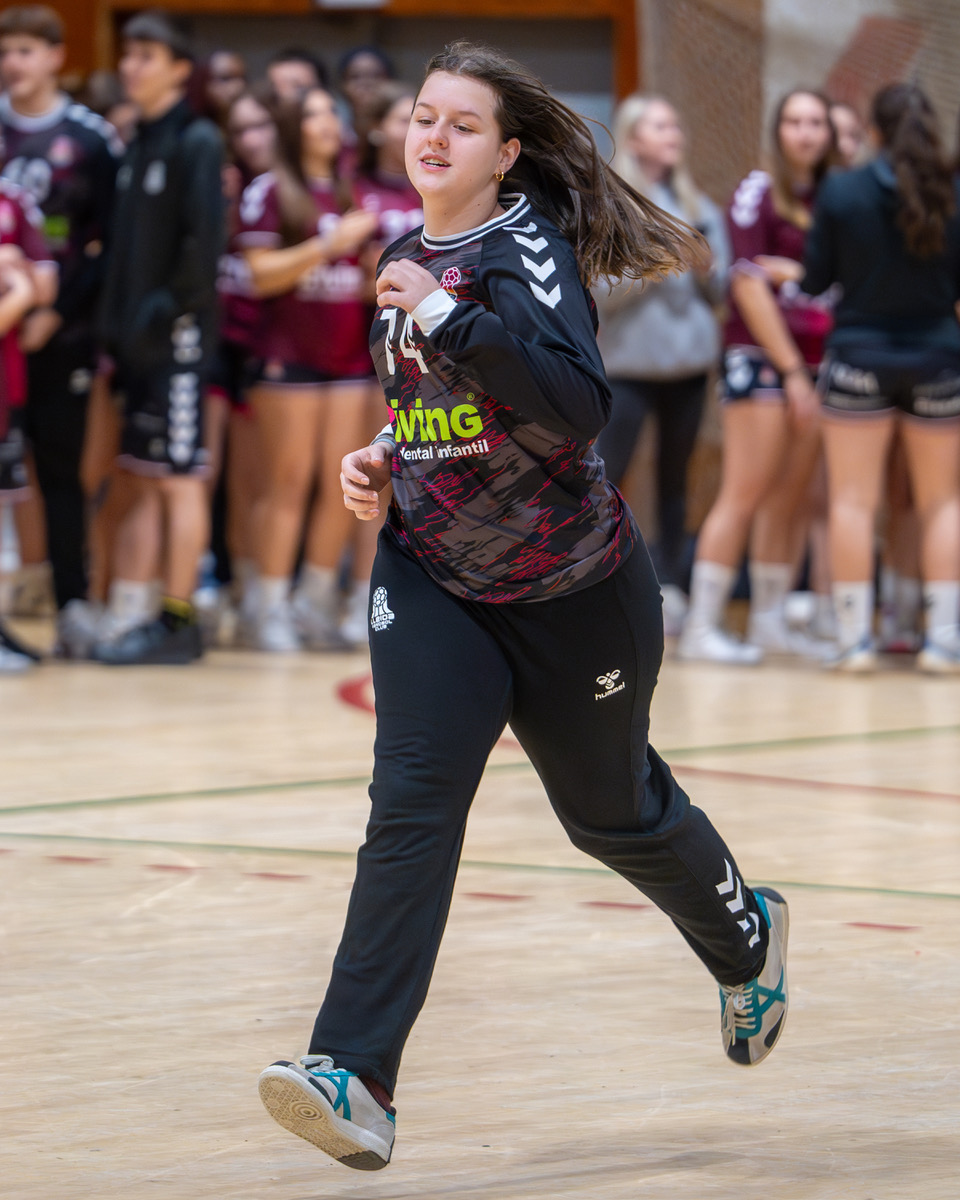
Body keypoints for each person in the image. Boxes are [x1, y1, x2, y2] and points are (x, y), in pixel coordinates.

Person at [256, 41, 790, 1171]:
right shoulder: (405, 256)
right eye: (423, 117)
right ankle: (354, 1075)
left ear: (504, 155)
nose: (433, 137)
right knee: (411, 803)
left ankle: (747, 936)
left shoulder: (522, 250)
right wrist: (384, 457)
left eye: (461, 124)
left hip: (570, 588)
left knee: (609, 812)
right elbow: (437, 410)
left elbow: (577, 406)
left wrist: (449, 317)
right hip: (434, 577)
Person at [805, 83, 960, 673]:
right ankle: (943, 643)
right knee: (942, 502)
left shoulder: (841, 190)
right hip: (939, 358)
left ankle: (853, 643)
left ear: (873, 130)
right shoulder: (952, 191)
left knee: (852, 500)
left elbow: (816, 280)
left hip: (858, 357)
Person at [678, 88, 837, 663]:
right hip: (761, 357)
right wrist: (790, 369)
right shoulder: (757, 190)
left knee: (790, 495)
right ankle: (701, 627)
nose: (805, 132)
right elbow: (746, 283)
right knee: (744, 490)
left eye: (815, 121)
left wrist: (793, 272)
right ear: (778, 129)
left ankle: (770, 621)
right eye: (794, 121)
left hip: (819, 360)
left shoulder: (834, 196)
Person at [92, 11, 224, 665]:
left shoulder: (196, 140)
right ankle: (138, 614)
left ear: (178, 69)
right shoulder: (137, 140)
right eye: (127, 54)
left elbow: (204, 244)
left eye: (146, 56)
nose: (130, 66)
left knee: (179, 478)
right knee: (144, 476)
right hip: (136, 343)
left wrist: (163, 312)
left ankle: (179, 621)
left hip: (178, 342)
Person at [236, 87, 377, 651]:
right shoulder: (269, 191)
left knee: (344, 485)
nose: (327, 122)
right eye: (313, 114)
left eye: (331, 113)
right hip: (287, 356)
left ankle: (313, 603)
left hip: (349, 359)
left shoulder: (352, 190)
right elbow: (260, 274)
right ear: (292, 126)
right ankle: (266, 607)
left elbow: (361, 278)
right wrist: (329, 244)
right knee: (287, 483)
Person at [0, 4, 121, 655]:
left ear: (54, 57)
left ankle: (72, 602)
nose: (12, 63)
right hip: (4, 332)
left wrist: (56, 312)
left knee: (60, 470)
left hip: (60, 331)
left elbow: (108, 245)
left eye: (24, 50)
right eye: (4, 51)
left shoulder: (91, 138)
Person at [594, 93, 730, 635]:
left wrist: (705, 267)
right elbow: (601, 295)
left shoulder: (699, 205)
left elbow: (721, 290)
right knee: (607, 475)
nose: (673, 133)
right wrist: (658, 258)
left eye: (675, 124)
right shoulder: (610, 207)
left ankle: (670, 586)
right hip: (627, 367)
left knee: (677, 481)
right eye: (659, 125)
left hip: (689, 368)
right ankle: (594, 581)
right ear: (632, 138)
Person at [0, 180, 58, 670]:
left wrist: (21, 282)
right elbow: (26, 293)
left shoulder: (14, 200)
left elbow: (45, 285)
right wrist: (16, 291)